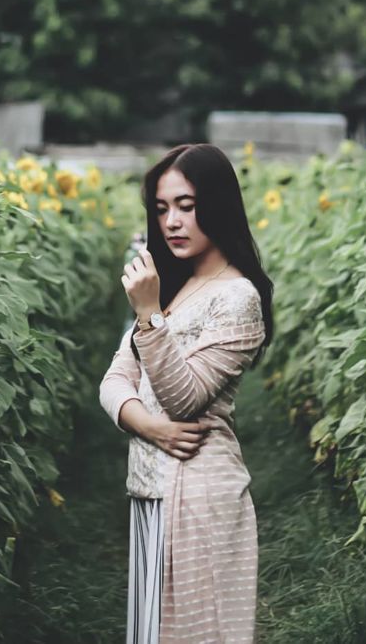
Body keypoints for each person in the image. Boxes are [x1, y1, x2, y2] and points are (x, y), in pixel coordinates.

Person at [99, 143, 274, 644]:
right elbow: (113, 381)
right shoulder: (174, 287)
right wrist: (147, 425)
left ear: (217, 205)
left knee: (200, 634)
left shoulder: (238, 299)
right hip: (150, 489)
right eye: (161, 209)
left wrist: (149, 316)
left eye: (186, 206)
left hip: (199, 494)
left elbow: (185, 399)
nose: (172, 221)